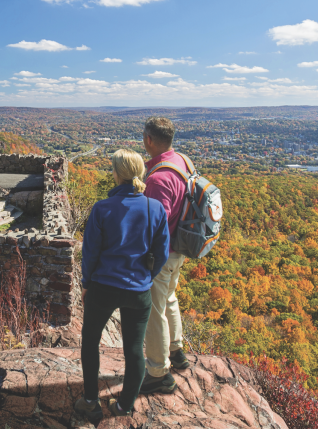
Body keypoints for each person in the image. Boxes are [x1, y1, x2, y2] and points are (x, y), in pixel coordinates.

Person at [75, 149, 171, 422]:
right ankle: (124, 406)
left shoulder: (103, 208)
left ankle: (91, 401)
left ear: (117, 174)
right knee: (133, 348)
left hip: (103, 286)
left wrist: (86, 283)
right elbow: (162, 253)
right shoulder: (155, 209)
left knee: (90, 342)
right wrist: (147, 278)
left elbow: (90, 253)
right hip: (138, 290)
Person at [140, 116, 191, 395]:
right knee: (170, 298)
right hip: (178, 250)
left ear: (149, 140)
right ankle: (177, 351)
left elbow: (154, 226)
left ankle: (159, 373)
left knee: (153, 312)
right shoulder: (181, 161)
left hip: (162, 255)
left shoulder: (159, 178)